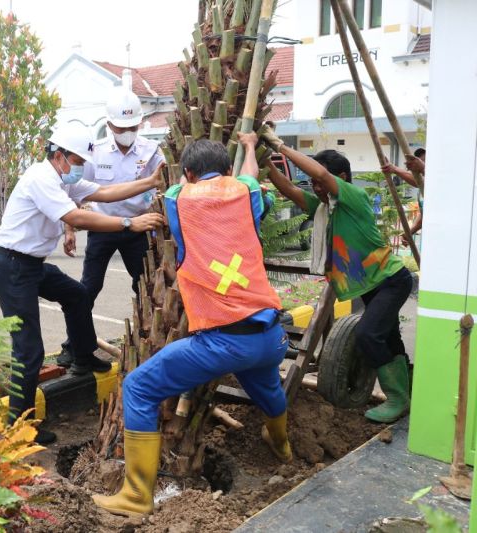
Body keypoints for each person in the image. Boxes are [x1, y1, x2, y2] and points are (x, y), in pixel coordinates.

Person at [92, 133, 291, 518]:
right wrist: (249, 147)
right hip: (270, 336)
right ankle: (281, 445)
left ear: (187, 173)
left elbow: (185, 189)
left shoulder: (177, 200)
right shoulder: (248, 193)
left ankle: (135, 495)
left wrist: (187, 178)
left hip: (222, 342)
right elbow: (250, 179)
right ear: (229, 172)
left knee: (138, 387)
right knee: (269, 393)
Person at [0, 122, 165, 444]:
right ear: (59, 155)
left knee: (77, 295)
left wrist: (150, 182)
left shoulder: (60, 177)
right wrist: (130, 222)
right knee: (29, 350)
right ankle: (20, 429)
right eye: (78, 162)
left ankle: (82, 357)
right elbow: (77, 218)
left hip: (30, 264)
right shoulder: (42, 179)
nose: (80, 168)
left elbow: (103, 193)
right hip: (13, 267)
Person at [261, 126, 413, 424]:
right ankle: (408, 390)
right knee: (388, 336)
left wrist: (280, 145)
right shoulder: (325, 208)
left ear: (341, 177)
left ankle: (397, 397)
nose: (314, 187)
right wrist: (266, 163)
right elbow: (290, 190)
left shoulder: (352, 197)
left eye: (319, 181)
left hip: (391, 280)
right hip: (372, 285)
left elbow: (320, 176)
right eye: (313, 184)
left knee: (369, 335)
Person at [57, 88, 165, 368]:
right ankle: (73, 345)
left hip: (138, 229)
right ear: (110, 125)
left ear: (139, 124)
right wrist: (69, 229)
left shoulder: (152, 151)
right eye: (121, 126)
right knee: (88, 289)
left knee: (146, 285)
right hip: (102, 228)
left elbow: (164, 184)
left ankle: (151, 340)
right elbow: (76, 192)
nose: (127, 131)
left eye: (132, 126)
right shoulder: (96, 152)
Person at [381, 148, 426, 247]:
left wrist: (395, 169)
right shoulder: (423, 191)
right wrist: (408, 234)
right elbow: (424, 214)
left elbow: (423, 181)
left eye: (424, 162)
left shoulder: (439, 186)